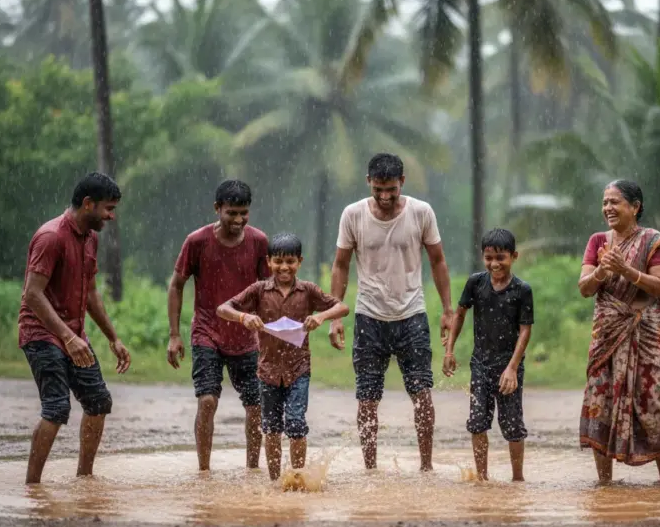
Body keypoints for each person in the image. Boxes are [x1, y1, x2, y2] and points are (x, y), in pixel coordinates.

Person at [329, 152, 454, 472]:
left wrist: (448, 310)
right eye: (378, 190)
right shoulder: (353, 215)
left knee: (422, 392)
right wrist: (335, 316)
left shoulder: (421, 212)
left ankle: (426, 467)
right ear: (368, 182)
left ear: (403, 182)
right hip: (368, 318)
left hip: (412, 315)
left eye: (391, 190)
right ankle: (370, 469)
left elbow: (438, 261)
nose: (385, 197)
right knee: (367, 397)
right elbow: (341, 265)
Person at [18, 172, 132, 484]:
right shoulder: (51, 237)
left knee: (98, 402)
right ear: (88, 204)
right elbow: (32, 294)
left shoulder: (90, 238)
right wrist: (67, 337)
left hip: (73, 334)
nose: (111, 216)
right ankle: (32, 487)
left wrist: (113, 338)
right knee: (56, 407)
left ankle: (85, 479)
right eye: (108, 209)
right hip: (41, 333)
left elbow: (91, 293)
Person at [576, 179, 660, 483]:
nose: (607, 208)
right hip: (606, 338)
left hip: (646, 334)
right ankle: (604, 484)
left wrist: (626, 271)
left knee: (654, 404)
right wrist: (603, 270)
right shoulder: (598, 242)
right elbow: (584, 288)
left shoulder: (652, 241)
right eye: (605, 202)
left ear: (635, 207)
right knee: (600, 404)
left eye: (615, 202)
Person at [218, 233, 349, 480]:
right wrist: (244, 317)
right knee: (271, 428)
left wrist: (320, 317)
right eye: (278, 262)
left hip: (299, 370)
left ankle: (297, 478)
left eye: (290, 261)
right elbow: (223, 308)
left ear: (300, 261)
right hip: (267, 371)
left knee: (297, 424)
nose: (284, 267)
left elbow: (342, 307)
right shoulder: (258, 290)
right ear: (269, 262)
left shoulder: (308, 290)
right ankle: (275, 482)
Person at [167, 180, 270, 472]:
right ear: (217, 209)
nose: (238, 220)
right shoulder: (197, 241)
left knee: (255, 406)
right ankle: (204, 472)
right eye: (231, 213)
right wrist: (174, 335)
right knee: (208, 401)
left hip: (247, 336)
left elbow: (267, 289)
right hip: (207, 332)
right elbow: (176, 285)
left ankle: (252, 470)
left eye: (243, 213)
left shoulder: (259, 242)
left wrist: (272, 332)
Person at [443, 228, 534, 482]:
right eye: (489, 258)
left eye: (500, 258)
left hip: (508, 366)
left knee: (513, 425)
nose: (494, 264)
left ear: (514, 256)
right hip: (480, 365)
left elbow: (525, 331)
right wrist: (449, 350)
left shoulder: (522, 290)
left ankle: (518, 479)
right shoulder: (476, 283)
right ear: (483, 257)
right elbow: (460, 314)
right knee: (477, 422)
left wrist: (513, 367)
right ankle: (482, 479)